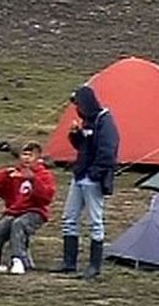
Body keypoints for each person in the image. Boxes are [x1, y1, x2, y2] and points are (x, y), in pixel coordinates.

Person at [55, 85, 119, 280]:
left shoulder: (104, 121)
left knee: (95, 222)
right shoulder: (87, 121)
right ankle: (69, 262)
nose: (77, 109)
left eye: (79, 104)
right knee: (69, 218)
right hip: (80, 176)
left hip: (92, 179)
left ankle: (94, 266)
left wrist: (95, 174)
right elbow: (83, 147)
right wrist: (75, 134)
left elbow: (108, 151)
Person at [0, 141, 56, 275]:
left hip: (35, 211)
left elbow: (45, 198)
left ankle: (18, 259)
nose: (26, 158)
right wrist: (5, 175)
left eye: (30, 155)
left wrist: (33, 180)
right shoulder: (14, 173)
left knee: (19, 225)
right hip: (14, 210)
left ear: (38, 157)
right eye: (24, 155)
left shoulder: (44, 175)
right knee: (1, 227)